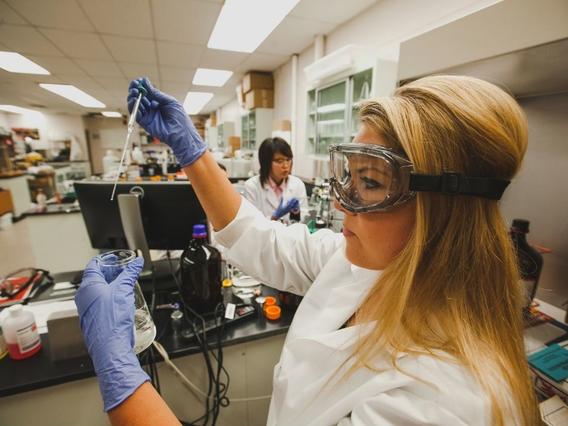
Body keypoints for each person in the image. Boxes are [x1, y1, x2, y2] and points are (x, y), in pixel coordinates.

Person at [75, 75, 539, 425]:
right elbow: (258, 236)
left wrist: (120, 376)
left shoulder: (441, 400)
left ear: (447, 211)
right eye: (347, 175)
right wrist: (191, 151)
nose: (339, 201)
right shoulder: (363, 264)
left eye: (370, 182)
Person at [243, 137, 307, 221]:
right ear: (266, 162)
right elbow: (251, 224)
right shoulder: (252, 186)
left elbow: (305, 218)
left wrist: (297, 213)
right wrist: (274, 217)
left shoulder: (297, 184)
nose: (286, 165)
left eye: (288, 160)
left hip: (290, 234)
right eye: (279, 161)